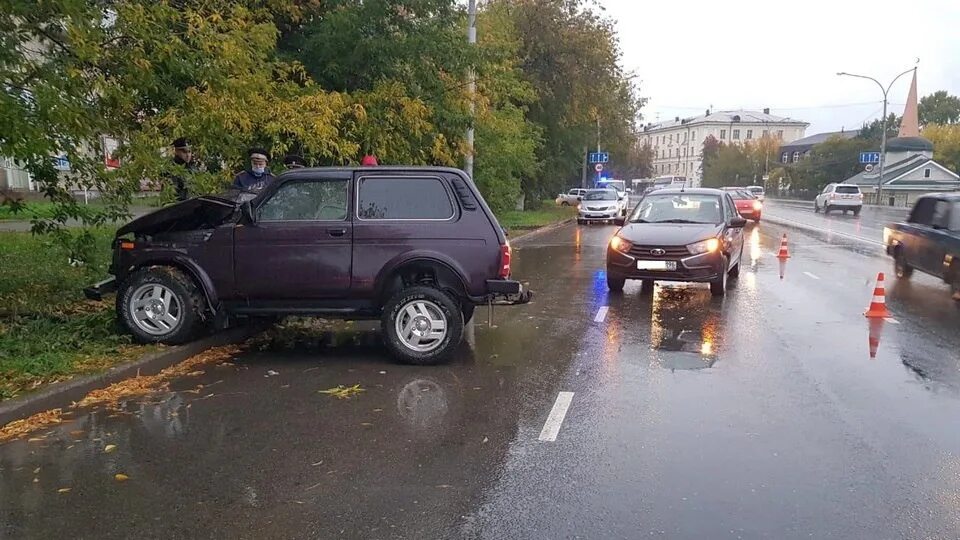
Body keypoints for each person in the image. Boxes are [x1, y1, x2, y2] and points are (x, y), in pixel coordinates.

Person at [167, 137, 197, 201]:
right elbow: (171, 194)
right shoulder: (172, 169)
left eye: (189, 151)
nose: (188, 155)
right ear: (176, 151)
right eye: (184, 152)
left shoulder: (193, 167)